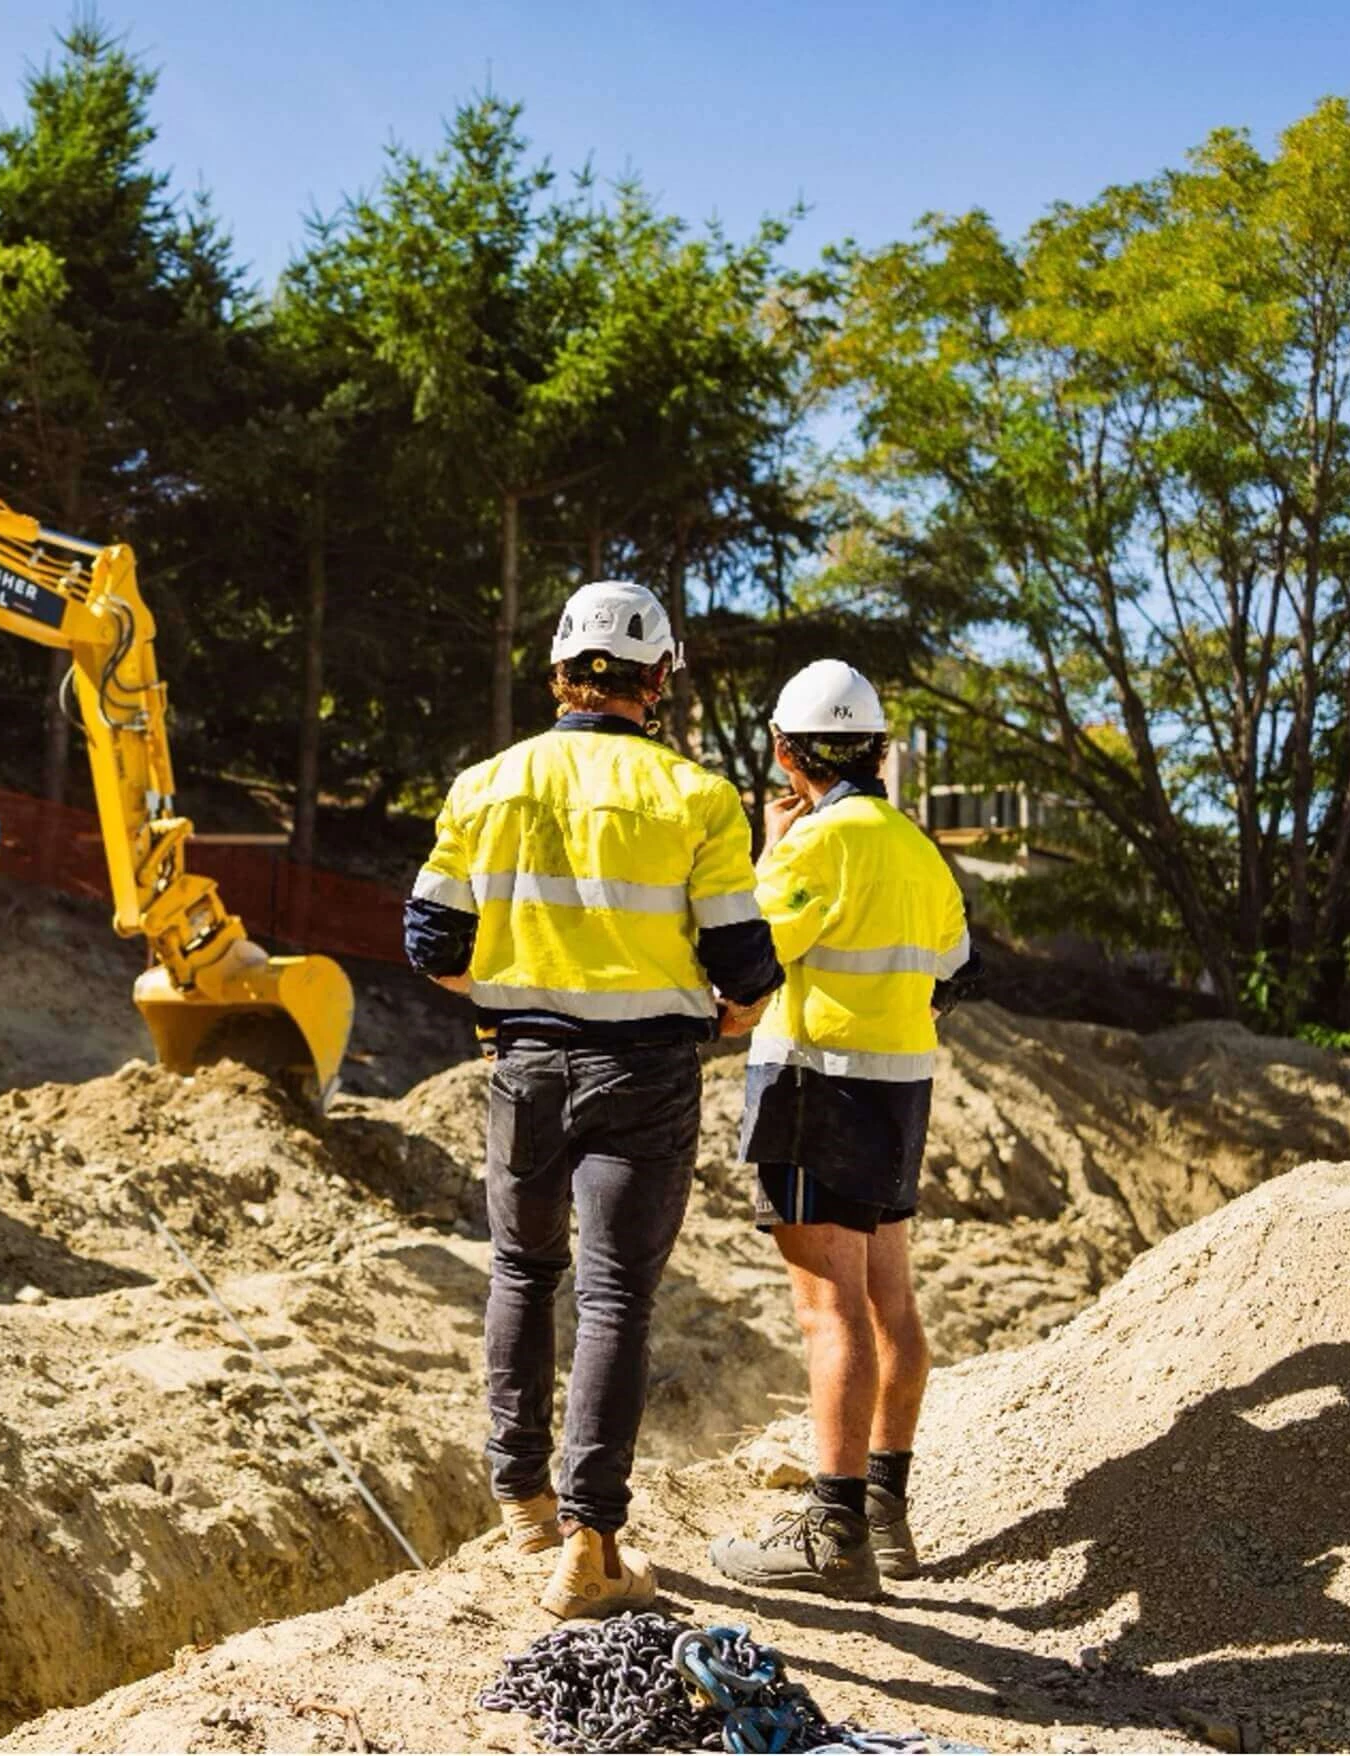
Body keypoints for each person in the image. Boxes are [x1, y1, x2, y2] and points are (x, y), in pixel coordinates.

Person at [405, 580, 784, 1620]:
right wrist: (732, 1011)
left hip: (524, 1066)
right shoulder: (696, 798)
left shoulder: (484, 785)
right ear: (656, 680)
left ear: (561, 673)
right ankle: (592, 1545)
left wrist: (519, 992)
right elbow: (744, 964)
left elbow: (429, 946)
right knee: (614, 1298)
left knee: (522, 1274)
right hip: (645, 1077)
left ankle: (522, 1501)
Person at [709, 660, 979, 1599]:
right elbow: (955, 972)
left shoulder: (811, 846)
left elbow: (742, 957)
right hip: (899, 1090)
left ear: (786, 754)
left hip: (814, 1085)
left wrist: (765, 851)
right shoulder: (915, 848)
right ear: (877, 752)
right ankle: (884, 1514)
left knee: (830, 1312)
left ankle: (832, 1534)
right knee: (888, 1303)